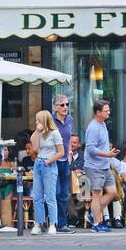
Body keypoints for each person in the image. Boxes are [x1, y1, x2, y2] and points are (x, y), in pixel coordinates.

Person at [83, 100, 119, 233]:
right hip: (94, 166)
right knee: (96, 195)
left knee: (112, 192)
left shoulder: (103, 124)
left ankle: (93, 214)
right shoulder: (93, 127)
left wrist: (109, 155)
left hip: (104, 165)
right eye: (106, 110)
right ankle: (96, 224)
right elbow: (90, 148)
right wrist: (107, 154)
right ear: (98, 112)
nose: (109, 112)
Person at [29, 110, 65, 235]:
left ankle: (52, 224)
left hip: (49, 164)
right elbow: (34, 147)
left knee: (50, 196)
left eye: (38, 120)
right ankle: (38, 223)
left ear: (44, 121)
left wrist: (49, 160)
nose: (36, 122)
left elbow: (61, 152)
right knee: (37, 196)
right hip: (38, 163)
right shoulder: (39, 133)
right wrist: (37, 131)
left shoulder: (55, 133)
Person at [52, 94, 76, 234]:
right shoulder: (51, 121)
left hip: (65, 161)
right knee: (55, 192)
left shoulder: (70, 119)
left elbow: (68, 138)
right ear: (55, 107)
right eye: (62, 105)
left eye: (67, 104)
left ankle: (62, 223)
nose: (65, 107)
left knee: (64, 193)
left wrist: (70, 152)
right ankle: (50, 222)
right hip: (54, 159)